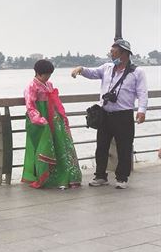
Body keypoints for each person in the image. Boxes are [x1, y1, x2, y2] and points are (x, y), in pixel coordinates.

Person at [71, 39, 148, 189]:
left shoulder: (137, 72)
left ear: (125, 53)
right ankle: (100, 176)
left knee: (124, 147)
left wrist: (141, 111)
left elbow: (142, 93)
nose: (112, 55)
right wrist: (80, 69)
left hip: (123, 115)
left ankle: (122, 177)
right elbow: (92, 73)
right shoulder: (107, 68)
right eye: (111, 52)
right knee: (101, 146)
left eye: (115, 52)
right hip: (105, 114)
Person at [23, 59, 82, 189]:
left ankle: (64, 176)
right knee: (42, 148)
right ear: (38, 73)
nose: (48, 77)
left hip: (53, 119)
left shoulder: (49, 84)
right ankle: (44, 177)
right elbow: (30, 106)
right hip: (40, 121)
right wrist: (40, 120)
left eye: (50, 74)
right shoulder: (31, 86)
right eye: (46, 74)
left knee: (60, 146)